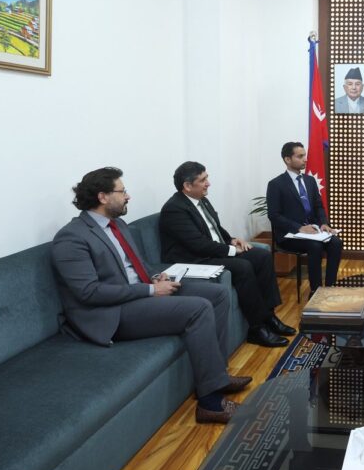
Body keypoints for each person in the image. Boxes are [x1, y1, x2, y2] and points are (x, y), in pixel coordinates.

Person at [51, 167, 250, 425]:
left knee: (218, 294)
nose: (128, 196)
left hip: (138, 294)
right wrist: (150, 290)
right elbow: (89, 292)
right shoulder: (71, 237)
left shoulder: (118, 225)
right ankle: (210, 404)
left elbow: (136, 266)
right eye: (122, 191)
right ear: (102, 196)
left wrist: (155, 277)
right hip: (110, 313)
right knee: (198, 308)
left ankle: (216, 376)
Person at [159, 161, 296, 349]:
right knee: (243, 266)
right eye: (203, 180)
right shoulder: (174, 209)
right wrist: (231, 250)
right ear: (187, 186)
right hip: (194, 259)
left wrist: (231, 240)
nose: (208, 183)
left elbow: (214, 228)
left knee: (262, 256)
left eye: (207, 178)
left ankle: (269, 316)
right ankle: (256, 329)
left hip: (212, 251)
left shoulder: (201, 200)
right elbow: (197, 244)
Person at [266, 142, 343, 295]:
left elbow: (318, 206)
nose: (305, 159)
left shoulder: (310, 181)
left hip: (314, 231)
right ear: (288, 159)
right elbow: (274, 215)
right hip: (290, 235)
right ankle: (316, 291)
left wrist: (323, 224)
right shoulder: (276, 184)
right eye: (300, 156)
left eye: (305, 155)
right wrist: (299, 228)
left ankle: (330, 287)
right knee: (315, 246)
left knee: (336, 243)